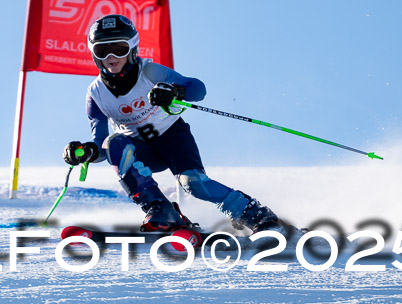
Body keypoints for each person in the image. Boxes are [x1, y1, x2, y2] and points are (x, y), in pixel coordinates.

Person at [63, 14, 282, 233]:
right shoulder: (96, 94)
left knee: (194, 185)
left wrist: (176, 91)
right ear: (94, 53)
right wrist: (88, 152)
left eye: (119, 49)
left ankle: (255, 214)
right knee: (114, 143)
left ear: (132, 48)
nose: (111, 56)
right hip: (140, 152)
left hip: (173, 139)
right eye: (103, 50)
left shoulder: (149, 72)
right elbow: (101, 146)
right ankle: (161, 210)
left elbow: (198, 89)